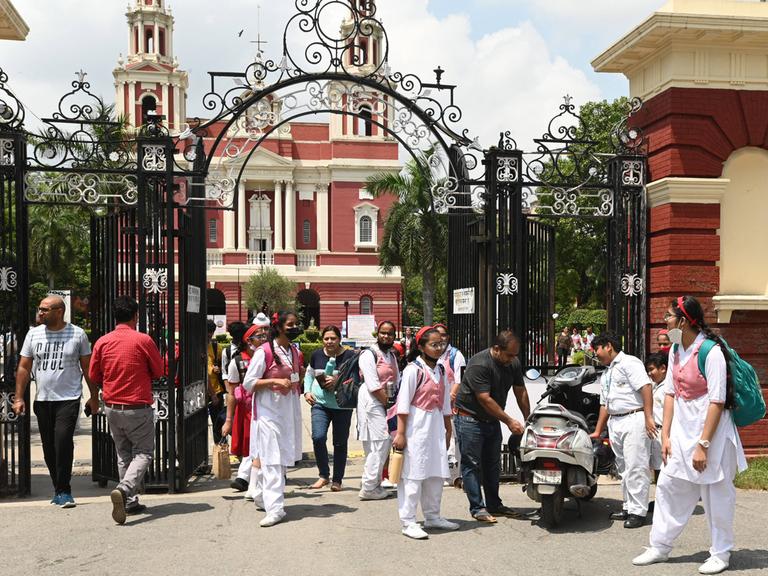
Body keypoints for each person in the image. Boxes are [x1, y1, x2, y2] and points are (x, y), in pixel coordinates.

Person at [633, 296, 747, 574]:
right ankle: (660, 546)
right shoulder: (674, 350)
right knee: (669, 487)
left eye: (669, 317)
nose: (665, 321)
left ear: (683, 321)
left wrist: (703, 445)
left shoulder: (711, 352)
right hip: (682, 432)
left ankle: (721, 552)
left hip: (713, 434)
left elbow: (717, 401)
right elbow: (670, 394)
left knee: (715, 493)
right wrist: (667, 436)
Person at [13, 295, 97, 508]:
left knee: (62, 441)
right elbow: (24, 367)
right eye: (39, 309)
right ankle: (58, 487)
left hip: (68, 398)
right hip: (43, 399)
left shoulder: (77, 335)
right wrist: (19, 397)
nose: (40, 312)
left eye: (45, 309)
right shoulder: (33, 334)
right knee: (49, 446)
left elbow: (87, 369)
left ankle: (64, 490)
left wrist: (94, 396)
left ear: (59, 311)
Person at [89, 295, 164, 524]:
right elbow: (159, 370)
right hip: (137, 405)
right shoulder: (143, 340)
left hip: (112, 406)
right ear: (135, 316)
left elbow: (94, 375)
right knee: (143, 453)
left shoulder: (103, 342)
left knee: (123, 453)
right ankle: (125, 490)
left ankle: (129, 502)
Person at [453, 329, 529, 523]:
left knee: (492, 465)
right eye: (509, 355)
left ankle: (494, 504)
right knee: (472, 465)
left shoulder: (513, 362)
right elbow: (484, 399)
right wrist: (510, 421)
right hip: (470, 419)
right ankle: (478, 508)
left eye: (515, 355)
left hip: (491, 420)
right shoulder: (480, 364)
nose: (512, 359)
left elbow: (520, 391)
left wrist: (529, 418)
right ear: (496, 349)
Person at [392, 327, 459, 539]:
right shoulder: (413, 370)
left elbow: (446, 402)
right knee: (413, 473)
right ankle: (408, 521)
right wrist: (401, 433)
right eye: (434, 344)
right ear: (421, 347)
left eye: (441, 344)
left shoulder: (440, 370)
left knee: (436, 472)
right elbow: (403, 404)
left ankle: (433, 516)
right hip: (417, 426)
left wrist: (448, 427)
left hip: (436, 425)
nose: (439, 348)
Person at [242, 310, 304, 527]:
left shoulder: (293, 351)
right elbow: (248, 383)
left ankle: (261, 495)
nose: (295, 328)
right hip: (269, 413)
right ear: (279, 327)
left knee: (281, 459)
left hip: (288, 412)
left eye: (296, 324)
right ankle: (275, 508)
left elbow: (295, 377)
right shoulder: (265, 352)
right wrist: (273, 382)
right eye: (290, 324)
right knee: (272, 460)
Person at [590, 332, 655, 529]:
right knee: (623, 468)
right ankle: (628, 506)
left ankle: (638, 511)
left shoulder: (629, 363)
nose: (596, 355)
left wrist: (648, 416)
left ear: (608, 346)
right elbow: (604, 404)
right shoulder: (608, 372)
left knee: (636, 466)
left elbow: (645, 387)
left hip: (633, 418)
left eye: (597, 350)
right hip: (615, 421)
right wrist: (598, 430)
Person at [304, 325, 356, 491]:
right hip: (320, 404)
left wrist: (337, 382)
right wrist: (306, 392)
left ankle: (337, 480)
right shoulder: (316, 355)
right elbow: (309, 374)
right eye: (326, 338)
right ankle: (323, 476)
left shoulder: (349, 356)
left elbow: (355, 378)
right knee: (318, 437)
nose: (329, 341)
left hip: (342, 405)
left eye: (333, 338)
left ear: (339, 339)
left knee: (340, 443)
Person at [357, 320, 400, 501]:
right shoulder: (369, 355)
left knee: (380, 444)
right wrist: (388, 405)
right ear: (377, 333)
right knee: (379, 442)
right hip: (373, 402)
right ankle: (368, 486)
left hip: (386, 402)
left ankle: (373, 484)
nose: (386, 336)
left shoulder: (391, 355)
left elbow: (396, 380)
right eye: (383, 332)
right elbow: (374, 385)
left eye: (390, 333)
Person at [434, 323, 466, 487]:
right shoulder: (432, 354)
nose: (441, 338)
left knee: (453, 437)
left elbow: (459, 381)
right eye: (437, 335)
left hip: (450, 405)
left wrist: (450, 399)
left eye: (443, 335)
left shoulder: (455, 355)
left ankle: (454, 474)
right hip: (434, 405)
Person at [645, 352, 668, 481]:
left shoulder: (668, 388)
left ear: (663, 368)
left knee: (665, 468)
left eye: (651, 369)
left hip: (664, 432)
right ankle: (660, 500)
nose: (649, 373)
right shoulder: (653, 385)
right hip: (654, 432)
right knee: (658, 468)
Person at [207, 319, 225, 444]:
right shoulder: (194, 347)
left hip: (216, 390)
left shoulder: (215, 347)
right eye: (207, 331)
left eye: (211, 332)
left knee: (218, 422)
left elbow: (224, 367)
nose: (209, 334)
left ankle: (221, 449)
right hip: (199, 392)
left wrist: (219, 368)